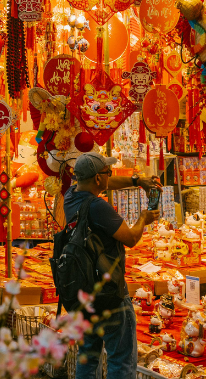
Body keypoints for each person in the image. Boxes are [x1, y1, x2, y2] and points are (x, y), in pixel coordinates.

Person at [63, 153, 161, 379]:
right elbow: (130, 238)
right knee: (122, 360)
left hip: (83, 293)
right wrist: (143, 219)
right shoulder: (98, 207)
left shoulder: (72, 195)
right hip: (109, 294)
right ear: (97, 178)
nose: (110, 176)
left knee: (88, 354)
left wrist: (137, 182)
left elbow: (107, 184)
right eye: (107, 173)